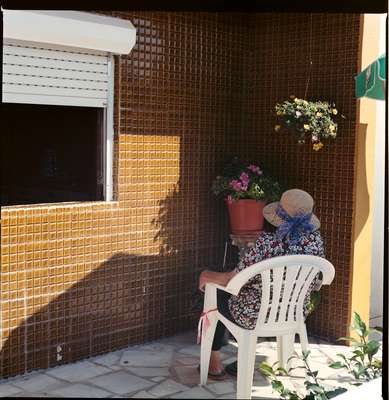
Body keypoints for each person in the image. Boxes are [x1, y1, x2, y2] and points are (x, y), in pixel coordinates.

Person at [198, 188, 325, 379]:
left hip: (254, 316)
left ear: (278, 215)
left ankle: (213, 363)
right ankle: (259, 361)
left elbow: (232, 279)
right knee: (231, 292)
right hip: (294, 313)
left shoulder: (267, 243)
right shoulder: (315, 242)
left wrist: (205, 276)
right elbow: (317, 282)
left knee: (216, 292)